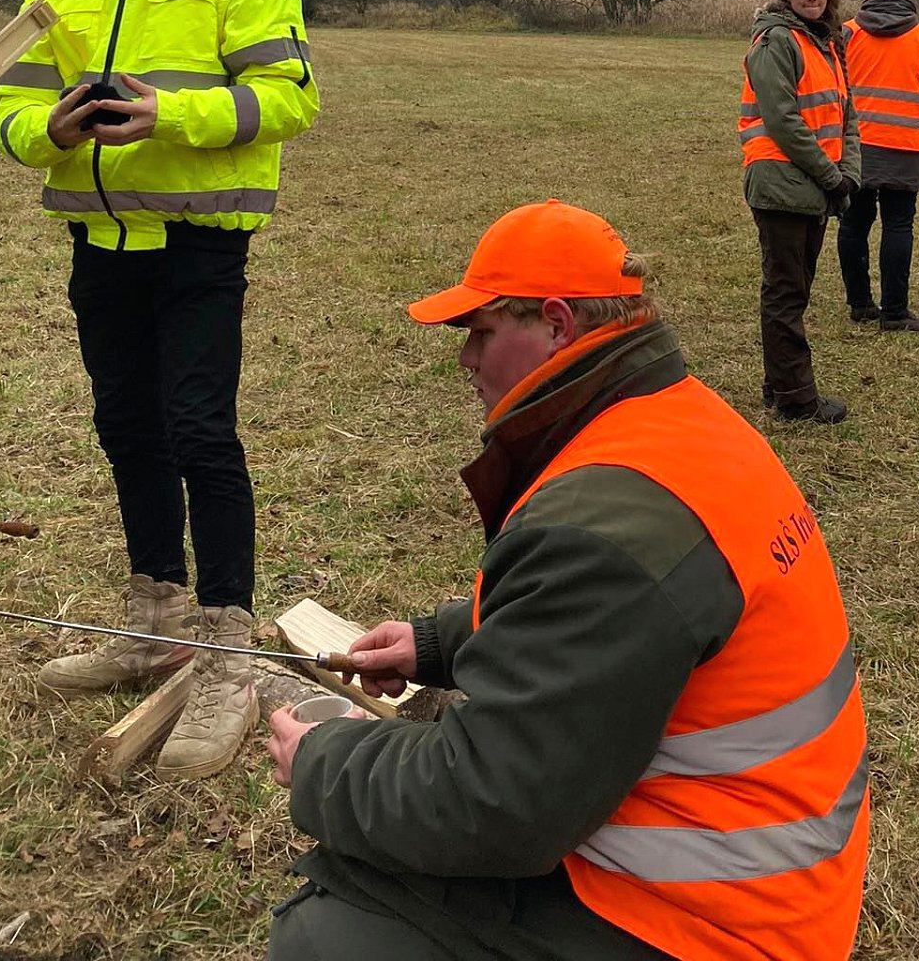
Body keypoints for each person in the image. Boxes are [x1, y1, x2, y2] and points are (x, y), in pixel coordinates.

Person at [266, 200, 869, 961]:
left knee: (327, 937)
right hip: (774, 873)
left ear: (556, 323)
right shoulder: (680, 421)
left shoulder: (601, 525)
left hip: (714, 924)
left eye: (481, 333)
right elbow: (612, 627)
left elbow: (495, 805)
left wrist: (323, 762)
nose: (466, 361)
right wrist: (438, 643)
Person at [0, 0, 320, 773]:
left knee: (200, 433)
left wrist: (168, 114)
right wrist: (46, 129)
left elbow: (291, 97)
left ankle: (226, 657)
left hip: (200, 244)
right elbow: (7, 103)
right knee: (127, 427)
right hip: (100, 243)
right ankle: (154, 621)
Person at [739, 0, 861, 423]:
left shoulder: (825, 43)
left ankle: (780, 385)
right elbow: (783, 121)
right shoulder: (776, 41)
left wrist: (849, 173)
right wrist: (833, 177)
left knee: (795, 290)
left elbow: (846, 116)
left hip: (811, 184)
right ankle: (795, 398)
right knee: (786, 294)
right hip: (781, 182)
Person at [835, 0, 919, 333]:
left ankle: (860, 304)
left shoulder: (847, 33)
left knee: (853, 224)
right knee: (898, 226)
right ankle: (895, 312)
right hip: (906, 148)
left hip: (856, 148)